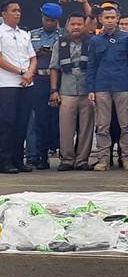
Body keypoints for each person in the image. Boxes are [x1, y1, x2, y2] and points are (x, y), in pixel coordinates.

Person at [0, 0, 37, 174]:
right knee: (7, 122)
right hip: (7, 83)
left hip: (26, 83)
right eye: (14, 10)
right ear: (4, 14)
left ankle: (18, 159)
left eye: (19, 10)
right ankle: (5, 160)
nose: (18, 13)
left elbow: (33, 57)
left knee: (22, 122)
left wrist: (29, 73)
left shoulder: (24, 34)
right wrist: (21, 71)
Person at [49, 13, 93, 171]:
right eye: (73, 24)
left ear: (84, 26)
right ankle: (67, 159)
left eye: (79, 24)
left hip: (87, 90)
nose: (76, 27)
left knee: (86, 127)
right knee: (66, 128)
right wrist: (54, 90)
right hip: (66, 90)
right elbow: (54, 68)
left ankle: (82, 160)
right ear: (67, 26)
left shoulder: (91, 42)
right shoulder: (60, 43)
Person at [86, 5, 128, 171]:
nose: (110, 20)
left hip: (122, 86)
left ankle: (125, 158)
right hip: (102, 86)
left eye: (112, 17)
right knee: (103, 125)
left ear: (117, 19)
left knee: (125, 125)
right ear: (101, 19)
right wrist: (91, 89)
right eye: (106, 17)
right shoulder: (95, 40)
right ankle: (103, 159)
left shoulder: (126, 38)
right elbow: (91, 66)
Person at [29, 3, 63, 169]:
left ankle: (63, 153)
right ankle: (41, 155)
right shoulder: (32, 35)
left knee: (59, 119)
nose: (49, 23)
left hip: (59, 79)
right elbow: (24, 55)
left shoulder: (64, 34)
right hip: (40, 79)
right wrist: (37, 53)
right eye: (47, 20)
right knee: (40, 119)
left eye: (53, 21)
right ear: (42, 18)